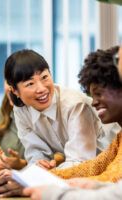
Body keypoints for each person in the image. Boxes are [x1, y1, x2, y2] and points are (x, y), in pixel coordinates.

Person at [22, 46, 122, 200]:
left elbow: (112, 181)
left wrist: (53, 189)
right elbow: (94, 167)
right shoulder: (120, 138)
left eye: (98, 94)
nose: (93, 103)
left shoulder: (74, 104)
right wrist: (38, 179)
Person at [3, 49, 119, 169]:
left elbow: (80, 162)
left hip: (110, 165)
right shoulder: (21, 110)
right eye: (30, 84)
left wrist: (49, 174)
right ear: (15, 91)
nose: (41, 88)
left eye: (44, 77)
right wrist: (41, 166)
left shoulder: (74, 105)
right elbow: (36, 154)